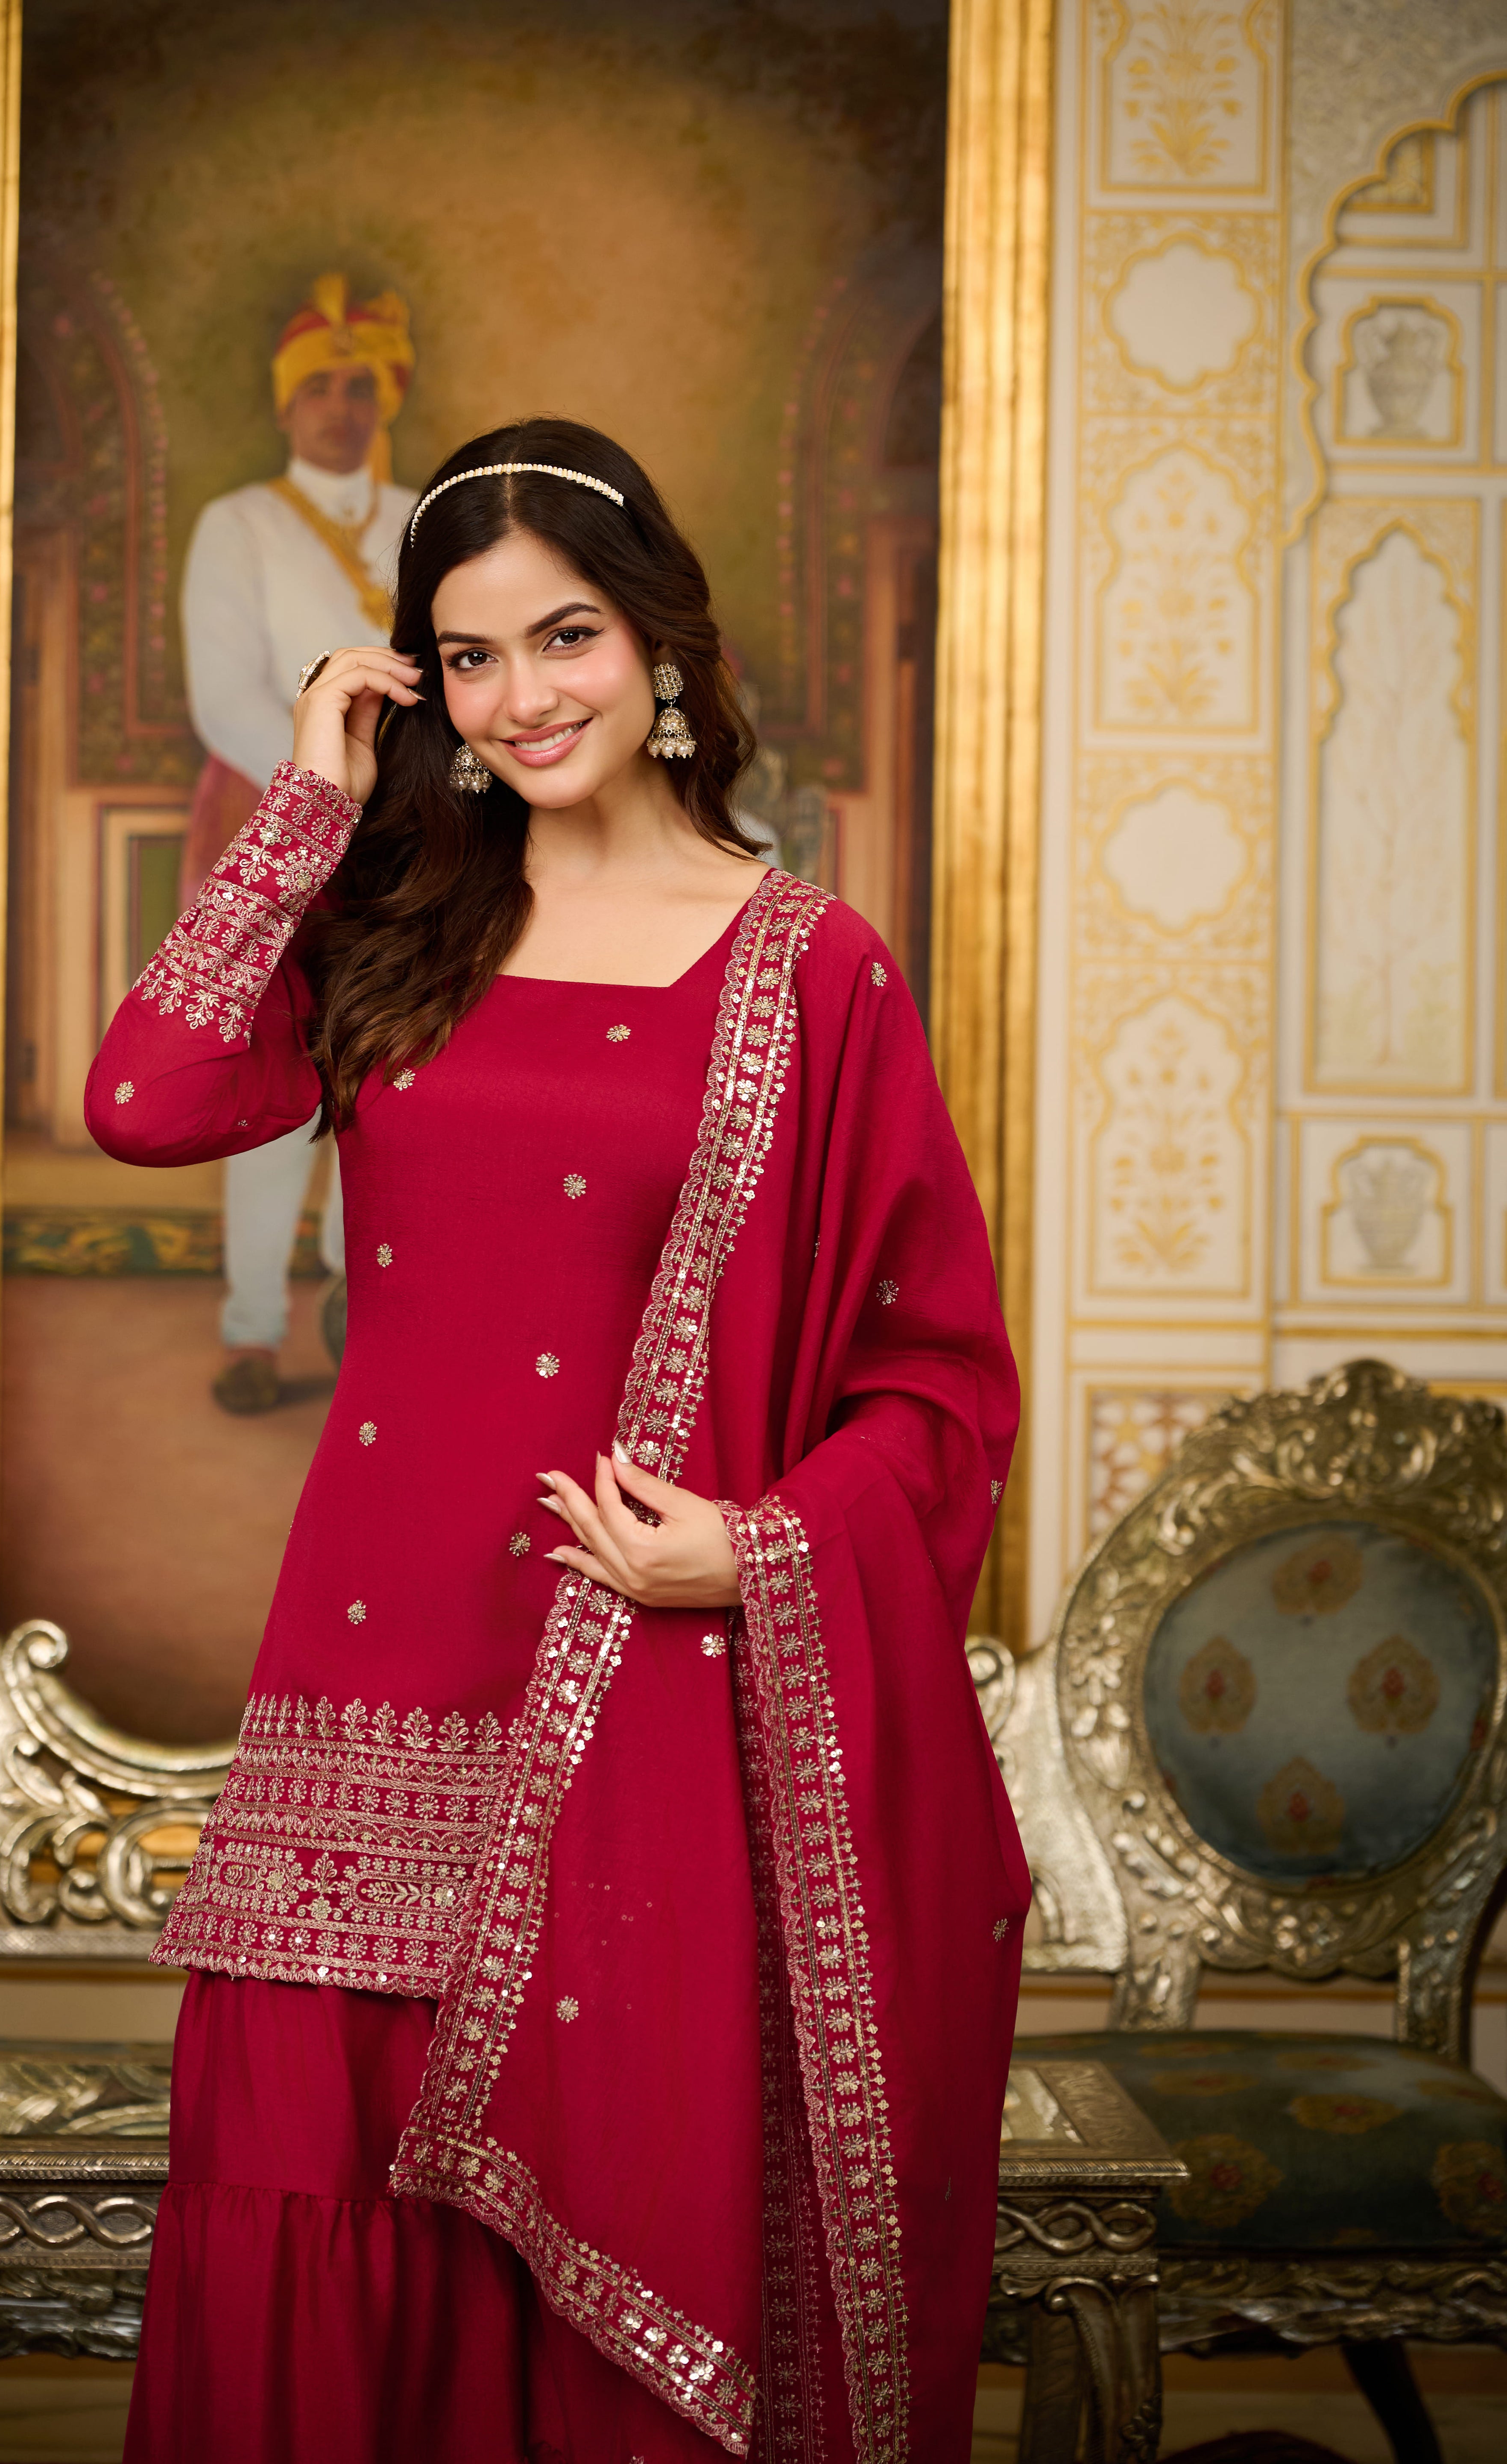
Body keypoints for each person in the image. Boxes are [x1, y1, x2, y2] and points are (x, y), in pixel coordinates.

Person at [89, 418, 1027, 2462]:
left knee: (600, 2247)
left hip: (643, 1705)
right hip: (366, 1682)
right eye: (473, 657)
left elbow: (939, 1382)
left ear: (660, 640)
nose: (527, 699)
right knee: (318, 2227)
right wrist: (303, 815)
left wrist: (758, 1554)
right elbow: (147, 1102)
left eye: (569, 636)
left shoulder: (815, 974)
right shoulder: (398, 923)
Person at [180, 273, 417, 1412]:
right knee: (274, 1071)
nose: (340, 405)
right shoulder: (242, 526)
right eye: (318, 386)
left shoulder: (427, 518)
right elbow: (224, 695)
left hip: (417, 834)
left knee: (398, 1074)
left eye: (358, 384)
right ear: (285, 406)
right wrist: (325, 787)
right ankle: (253, 1329)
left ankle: (365, 1320)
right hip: (278, 824)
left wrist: (409, 800)